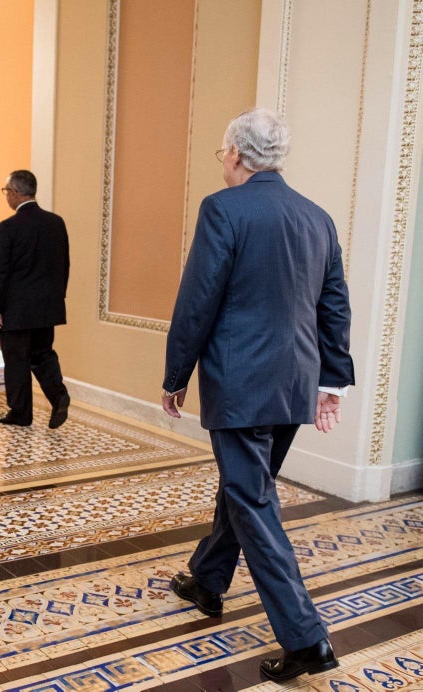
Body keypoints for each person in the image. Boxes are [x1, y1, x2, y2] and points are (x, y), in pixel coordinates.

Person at [161, 107, 354, 682]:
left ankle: (306, 638)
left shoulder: (223, 208)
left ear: (237, 155)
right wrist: (331, 381)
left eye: (223, 153)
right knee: (247, 487)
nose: (222, 161)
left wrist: (176, 374)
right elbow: (334, 305)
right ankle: (207, 579)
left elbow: (198, 299)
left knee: (252, 499)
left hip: (240, 382)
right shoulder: (317, 217)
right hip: (294, 382)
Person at [0, 170, 71, 429]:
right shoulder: (56, 223)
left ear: (15, 193)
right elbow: (64, 265)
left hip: (16, 309)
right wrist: (57, 298)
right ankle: (58, 395)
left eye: (6, 192)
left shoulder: (8, 227)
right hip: (47, 307)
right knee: (43, 354)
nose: (6, 197)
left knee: (16, 360)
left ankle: (21, 413)